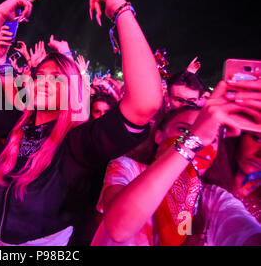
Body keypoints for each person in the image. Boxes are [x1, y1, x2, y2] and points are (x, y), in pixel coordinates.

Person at [0, 0, 162, 245]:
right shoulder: (15, 125)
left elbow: (144, 103)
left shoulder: (78, 142)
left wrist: (120, 9)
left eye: (56, 77)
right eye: (39, 75)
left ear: (73, 90)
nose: (44, 82)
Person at [91, 79, 261, 246]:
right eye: (183, 130)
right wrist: (193, 139)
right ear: (159, 136)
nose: (202, 144)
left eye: (212, 138)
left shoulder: (213, 199)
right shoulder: (128, 169)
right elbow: (119, 227)